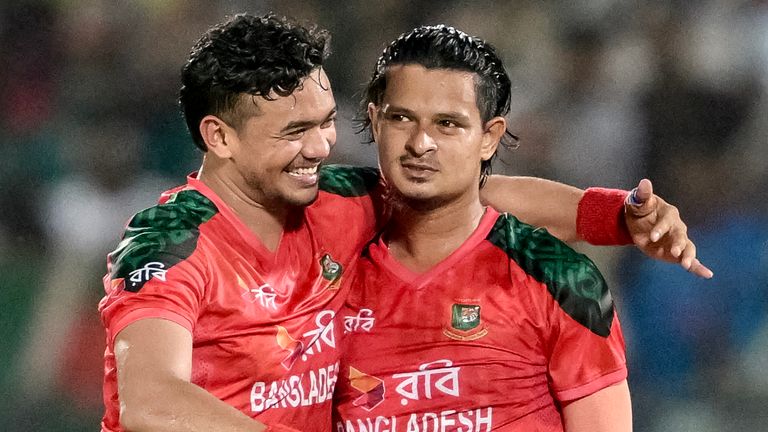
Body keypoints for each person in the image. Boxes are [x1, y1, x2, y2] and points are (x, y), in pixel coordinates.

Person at [98, 13, 708, 432]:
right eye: (293, 132)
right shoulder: (170, 243)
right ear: (219, 136)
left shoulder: (325, 202)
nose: (319, 147)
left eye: (323, 122)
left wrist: (620, 217)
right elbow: (150, 400)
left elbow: (477, 192)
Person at [333, 25, 634, 431]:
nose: (420, 143)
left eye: (448, 124)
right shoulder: (324, 271)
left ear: (490, 137)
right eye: (402, 118)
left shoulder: (562, 280)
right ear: (374, 122)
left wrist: (611, 212)